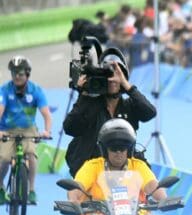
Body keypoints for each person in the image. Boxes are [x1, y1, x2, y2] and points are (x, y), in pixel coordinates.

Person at [63, 47, 156, 178]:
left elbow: (150, 113)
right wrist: (83, 95)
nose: (111, 79)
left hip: (124, 162)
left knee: (150, 180)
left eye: (116, 74)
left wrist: (127, 85)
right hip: (92, 165)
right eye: (106, 76)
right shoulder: (89, 105)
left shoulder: (129, 106)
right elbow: (70, 128)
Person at [0, 56, 52, 205]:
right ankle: (1, 188)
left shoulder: (36, 91)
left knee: (31, 156)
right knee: (3, 159)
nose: (17, 76)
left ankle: (31, 190)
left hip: (28, 130)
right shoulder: (4, 90)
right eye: (14, 73)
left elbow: (47, 115)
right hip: (6, 130)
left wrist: (47, 131)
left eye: (20, 73)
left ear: (27, 74)